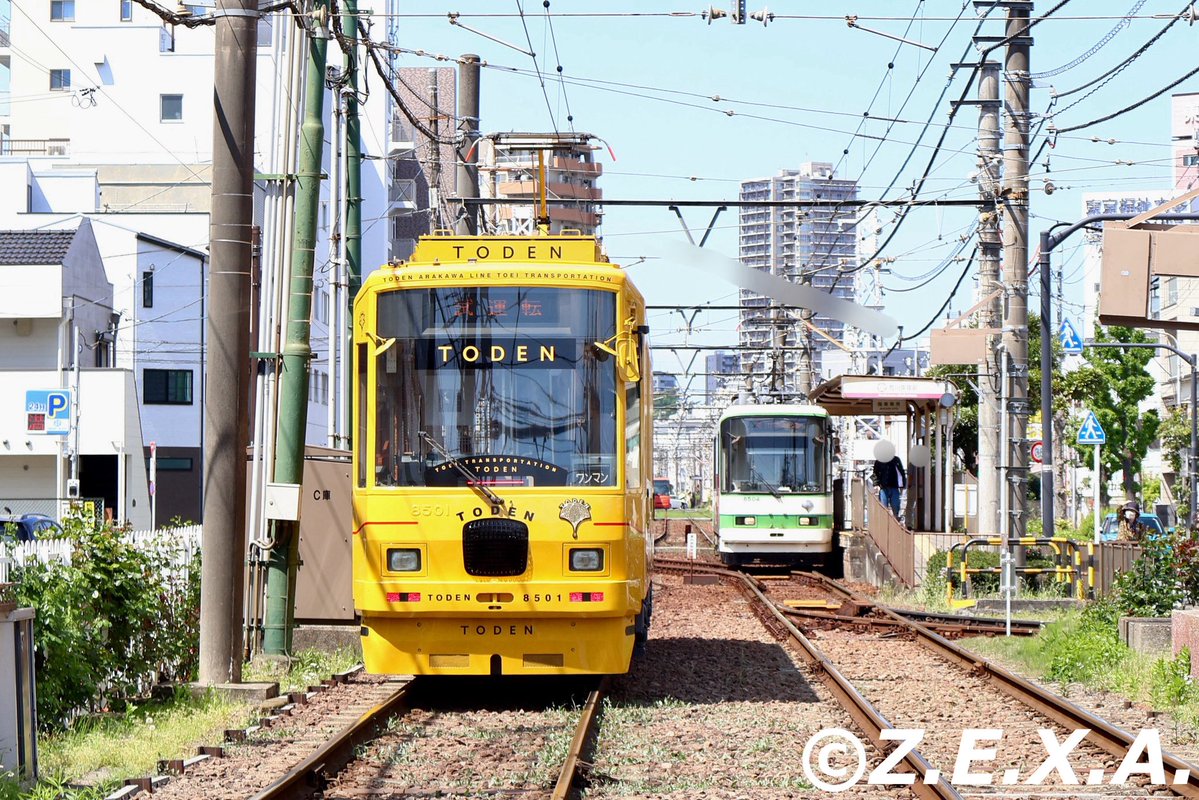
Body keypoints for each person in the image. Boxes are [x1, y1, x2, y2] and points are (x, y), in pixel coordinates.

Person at [872, 452, 906, 519]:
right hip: (883, 487)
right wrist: (876, 484)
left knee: (896, 505)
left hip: (894, 486)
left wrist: (902, 484)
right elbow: (875, 473)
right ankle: (884, 521)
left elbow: (901, 472)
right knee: (883, 506)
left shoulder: (896, 459)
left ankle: (895, 519)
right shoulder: (879, 461)